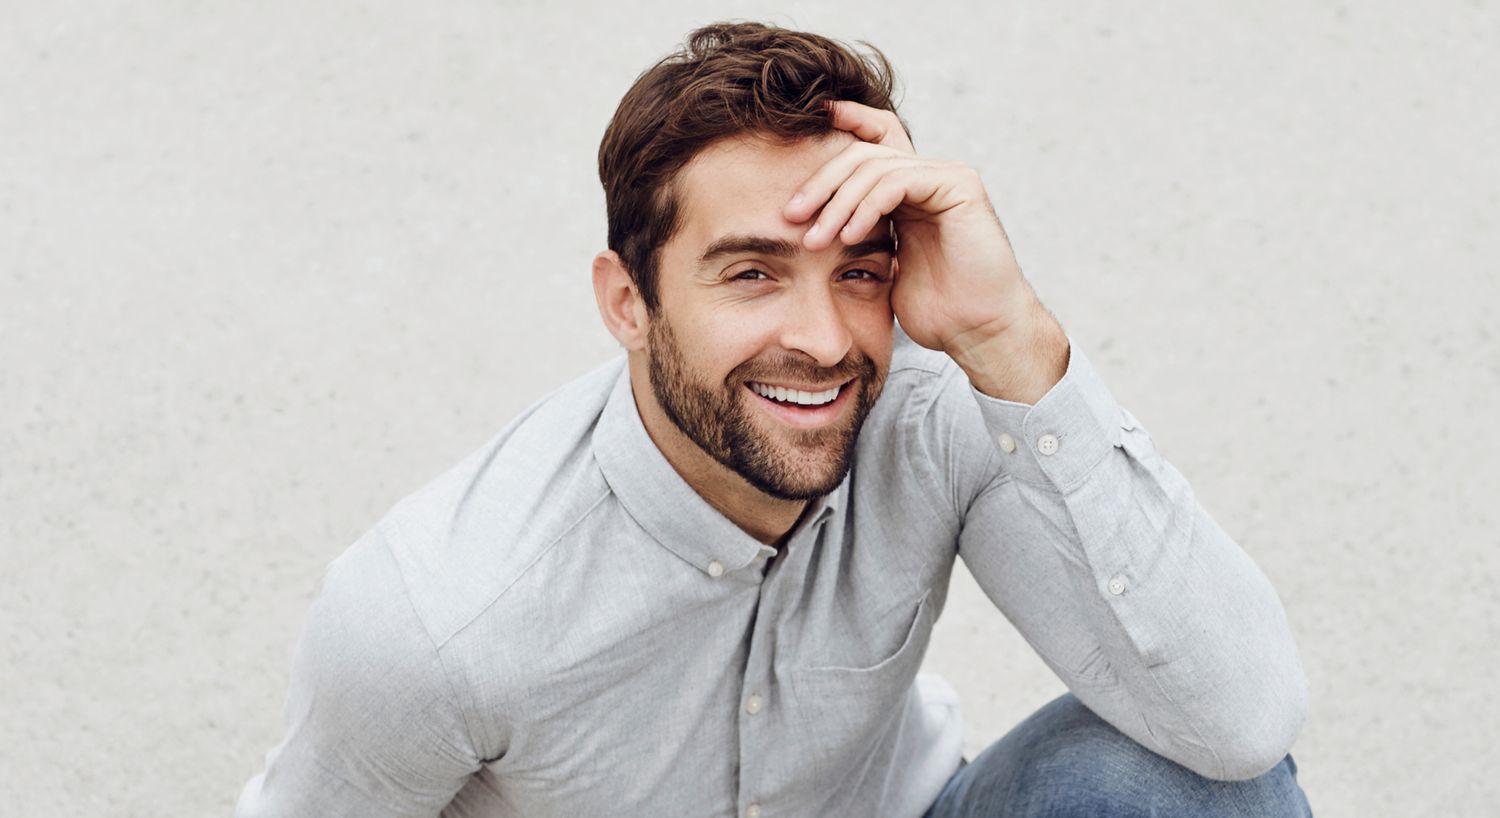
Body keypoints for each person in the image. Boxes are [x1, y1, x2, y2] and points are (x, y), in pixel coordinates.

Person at [237, 21, 1313, 818]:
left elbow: (1241, 724)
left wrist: (1009, 334)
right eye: (751, 271)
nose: (826, 338)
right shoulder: (434, 617)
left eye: (858, 269)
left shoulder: (933, 405)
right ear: (627, 300)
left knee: (1185, 784)